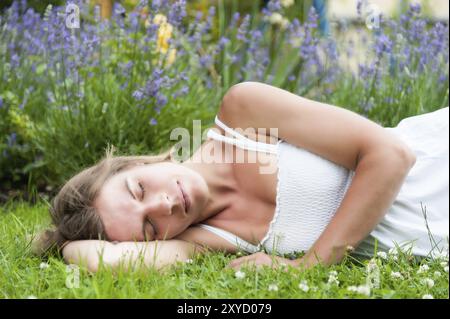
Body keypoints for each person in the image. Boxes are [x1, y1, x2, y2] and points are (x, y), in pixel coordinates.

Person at [33, 82, 449, 272]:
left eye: (138, 189)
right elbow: (100, 260)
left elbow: (391, 155)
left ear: (136, 164)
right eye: (147, 228)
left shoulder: (243, 115)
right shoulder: (200, 239)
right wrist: (64, 241)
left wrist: (310, 265)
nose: (164, 206)